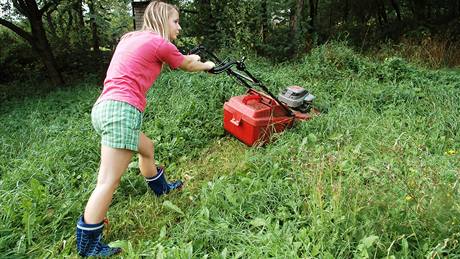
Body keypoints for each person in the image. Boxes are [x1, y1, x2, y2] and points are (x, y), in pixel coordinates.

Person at [75, 1, 215, 257]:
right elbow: (186, 64)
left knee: (147, 148)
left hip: (104, 106)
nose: (179, 28)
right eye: (175, 21)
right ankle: (88, 245)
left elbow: (182, 59)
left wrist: (190, 58)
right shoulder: (161, 44)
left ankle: (161, 189)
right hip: (121, 111)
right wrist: (206, 65)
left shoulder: (131, 37)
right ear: (163, 20)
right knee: (108, 180)